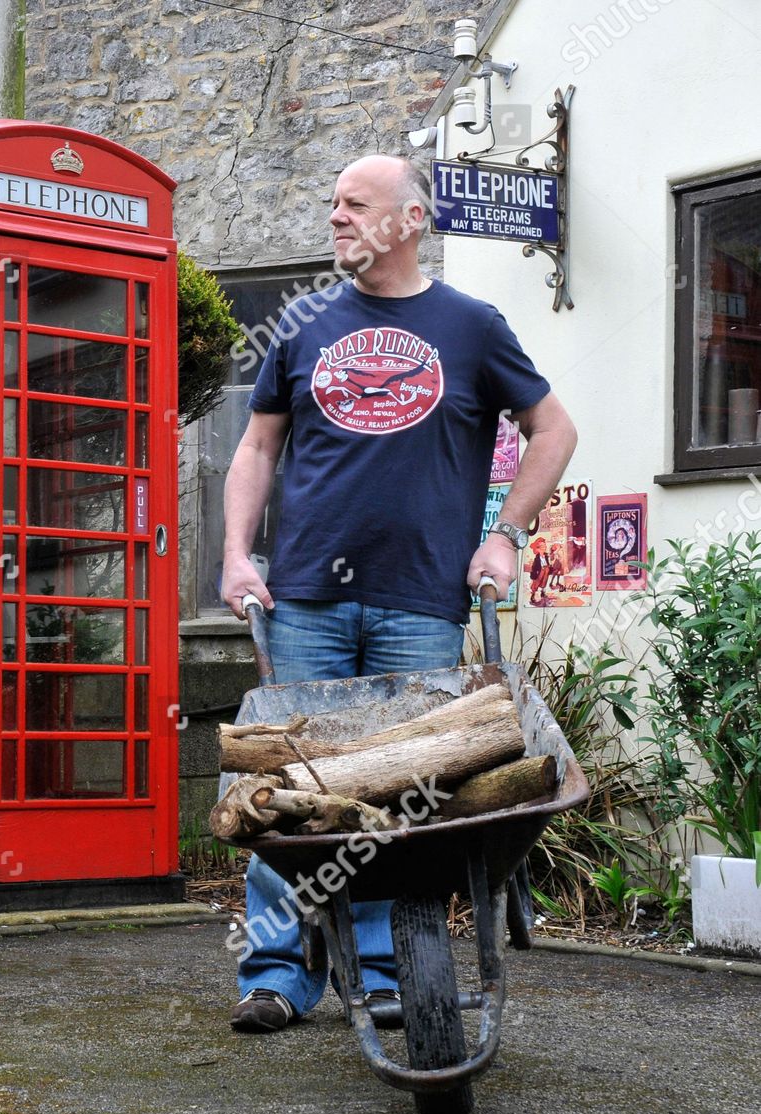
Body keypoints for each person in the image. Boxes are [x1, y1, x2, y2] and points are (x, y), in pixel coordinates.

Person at [219, 154, 578, 1033]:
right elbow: (258, 449)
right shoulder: (304, 324)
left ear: (410, 220)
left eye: (355, 204)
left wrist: (503, 534)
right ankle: (276, 972)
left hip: (421, 602)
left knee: (400, 799)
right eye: (333, 203)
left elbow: (553, 429)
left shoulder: (471, 325)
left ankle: (380, 969)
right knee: (287, 789)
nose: (336, 218)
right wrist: (235, 553)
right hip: (304, 599)